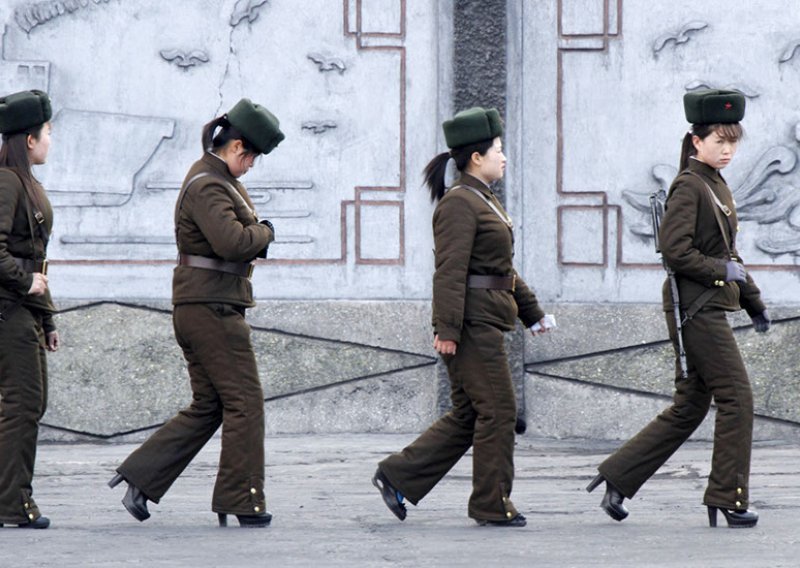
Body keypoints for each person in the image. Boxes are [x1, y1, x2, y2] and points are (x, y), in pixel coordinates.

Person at [587, 89, 770, 528]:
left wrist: (754, 302)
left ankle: (618, 477)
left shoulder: (714, 183)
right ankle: (729, 496)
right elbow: (675, 250)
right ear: (696, 141)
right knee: (737, 398)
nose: (727, 149)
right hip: (696, 311)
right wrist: (722, 273)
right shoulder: (690, 185)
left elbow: (729, 255)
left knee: (689, 407)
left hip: (705, 306)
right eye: (718, 141)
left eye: (733, 141)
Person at [372, 107, 552, 527]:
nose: (504, 157)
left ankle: (397, 474)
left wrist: (532, 312)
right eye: (498, 150)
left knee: (472, 413)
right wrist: (447, 329)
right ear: (476, 157)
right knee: (499, 411)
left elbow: (500, 269)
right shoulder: (459, 203)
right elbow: (450, 271)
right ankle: (491, 503)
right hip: (471, 325)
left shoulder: (481, 199)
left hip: (485, 319)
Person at [109, 98, 283, 528]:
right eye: (251, 157)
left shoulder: (215, 179)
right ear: (237, 145)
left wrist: (254, 234)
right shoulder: (209, 183)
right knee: (245, 401)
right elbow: (232, 242)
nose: (251, 166)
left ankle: (140, 477)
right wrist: (266, 232)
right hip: (211, 308)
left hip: (205, 303)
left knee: (210, 404)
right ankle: (242, 498)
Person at [0, 89, 59, 529]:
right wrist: (25, 285)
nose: (50, 140)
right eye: (47, 132)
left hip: (24, 308)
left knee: (28, 403)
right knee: (22, 404)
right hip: (7, 307)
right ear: (29, 139)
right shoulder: (6, 181)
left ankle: (11, 498)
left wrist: (48, 317)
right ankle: (11, 502)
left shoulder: (24, 181)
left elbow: (34, 256)